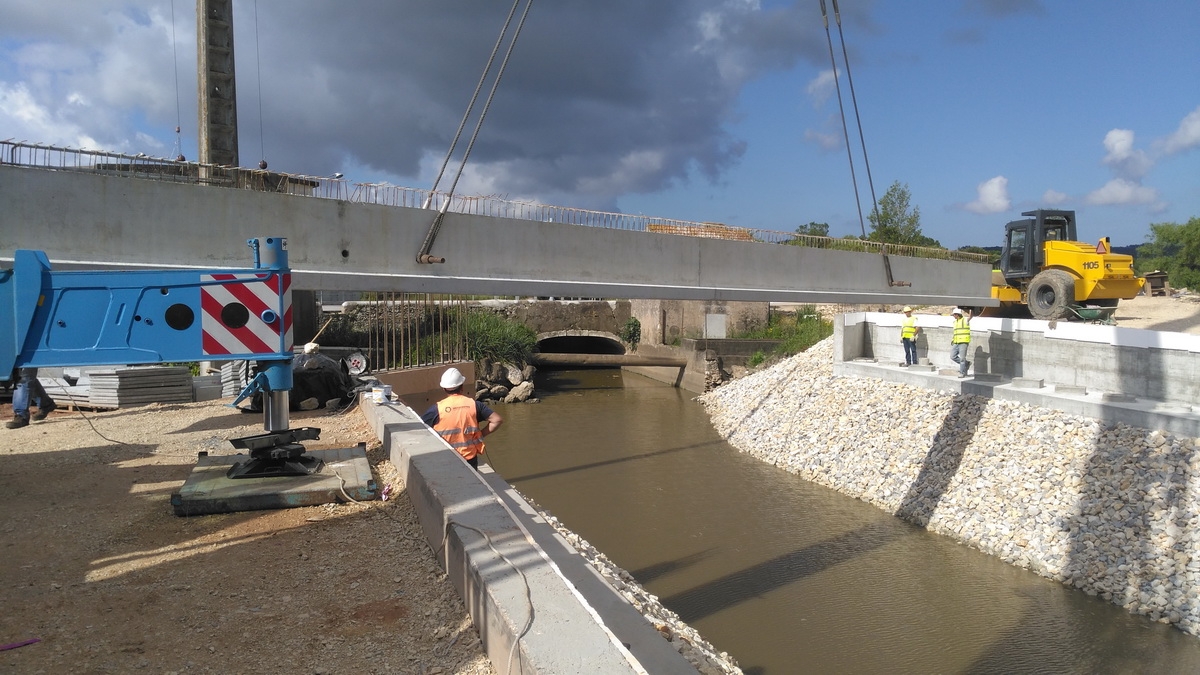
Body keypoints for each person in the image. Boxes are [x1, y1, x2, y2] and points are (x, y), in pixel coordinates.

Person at [421, 367, 503, 470]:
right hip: (469, 458)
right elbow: (497, 420)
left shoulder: (436, 409)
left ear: (444, 389)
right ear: (462, 387)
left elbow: (420, 428)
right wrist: (481, 435)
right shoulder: (474, 405)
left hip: (446, 457)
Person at [949, 308, 972, 378]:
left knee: (962, 358)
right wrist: (953, 340)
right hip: (956, 342)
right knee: (952, 356)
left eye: (954, 315)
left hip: (963, 342)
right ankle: (966, 364)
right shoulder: (955, 322)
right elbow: (955, 332)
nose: (953, 316)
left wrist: (971, 309)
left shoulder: (965, 320)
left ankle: (962, 372)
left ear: (957, 314)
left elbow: (971, 317)